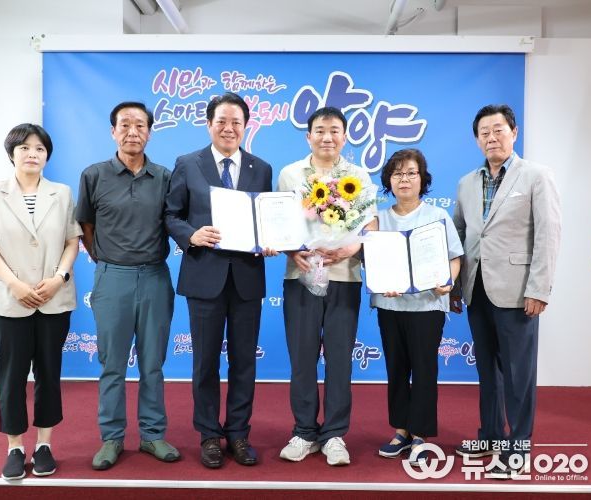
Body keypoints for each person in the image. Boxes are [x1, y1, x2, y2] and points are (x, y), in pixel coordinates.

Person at [165, 92, 274, 469]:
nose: (229, 128)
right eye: (222, 121)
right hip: (204, 275)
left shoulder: (261, 168)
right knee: (205, 362)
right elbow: (171, 215)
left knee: (244, 362)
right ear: (209, 124)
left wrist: (270, 239)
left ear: (246, 127)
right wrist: (191, 235)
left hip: (246, 278)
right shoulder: (187, 164)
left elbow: (267, 218)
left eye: (236, 122)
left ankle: (239, 433)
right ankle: (209, 434)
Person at [451, 104, 561, 479]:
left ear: (514, 133)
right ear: (476, 139)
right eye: (484, 132)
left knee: (518, 374)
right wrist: (455, 284)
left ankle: (519, 447)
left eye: (499, 130)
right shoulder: (466, 183)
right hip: (477, 289)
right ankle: (491, 436)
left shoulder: (536, 176)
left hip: (518, 290)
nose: (492, 137)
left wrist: (539, 288)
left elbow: (548, 235)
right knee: (487, 370)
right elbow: (459, 235)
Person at [0, 123, 81, 480]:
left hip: (53, 298)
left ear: (47, 156)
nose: (33, 154)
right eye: (25, 148)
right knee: (11, 375)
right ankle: (14, 447)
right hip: (8, 299)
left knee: (49, 372)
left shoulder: (61, 193)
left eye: (40, 149)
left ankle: (44, 445)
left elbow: (72, 241)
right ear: (11, 154)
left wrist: (59, 278)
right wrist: (15, 284)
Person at [76, 102, 179, 470]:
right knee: (112, 364)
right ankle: (112, 437)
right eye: (125, 125)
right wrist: (106, 259)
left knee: (153, 363)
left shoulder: (165, 177)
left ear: (149, 132)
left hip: (155, 277)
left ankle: (152, 434)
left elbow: (175, 222)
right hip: (112, 278)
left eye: (140, 125)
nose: (132, 132)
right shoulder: (94, 175)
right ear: (113, 131)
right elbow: (86, 225)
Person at [277, 106, 376, 466]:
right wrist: (292, 250)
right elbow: (279, 224)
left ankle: (334, 434)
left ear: (345, 137)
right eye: (320, 130)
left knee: (339, 360)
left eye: (334, 130)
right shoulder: (290, 174)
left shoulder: (359, 176)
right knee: (302, 359)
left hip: (344, 277)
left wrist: (353, 247)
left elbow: (370, 225)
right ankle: (304, 432)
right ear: (309, 137)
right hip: (301, 276)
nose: (327, 137)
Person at [369, 148, 462, 467]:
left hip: (427, 306)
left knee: (424, 369)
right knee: (396, 368)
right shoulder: (379, 219)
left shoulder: (438, 216)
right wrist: (382, 280)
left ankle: (420, 434)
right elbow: (370, 258)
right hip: (390, 304)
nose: (404, 179)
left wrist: (447, 283)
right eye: (397, 173)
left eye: (411, 173)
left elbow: (454, 257)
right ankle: (401, 431)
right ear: (388, 181)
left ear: (423, 179)